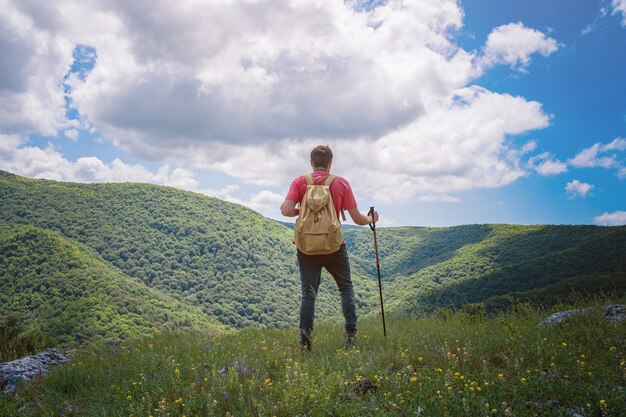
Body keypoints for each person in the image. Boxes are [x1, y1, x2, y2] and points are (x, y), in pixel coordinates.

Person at [281, 145, 379, 351]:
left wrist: (304, 211)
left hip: (307, 246)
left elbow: (286, 210)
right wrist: (372, 218)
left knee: (308, 294)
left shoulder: (300, 182)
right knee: (346, 288)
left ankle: (305, 343)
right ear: (330, 163)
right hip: (334, 246)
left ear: (311, 162)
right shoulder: (340, 183)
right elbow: (358, 218)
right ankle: (351, 335)